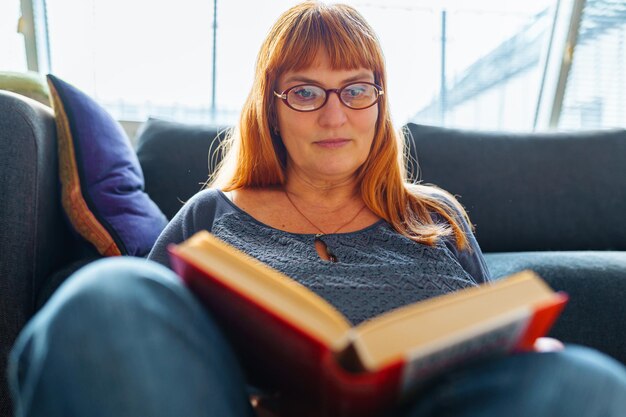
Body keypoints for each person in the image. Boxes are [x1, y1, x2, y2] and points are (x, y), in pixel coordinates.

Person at [8, 2, 626, 417]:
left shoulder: (436, 219)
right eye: (305, 92)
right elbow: (145, 345)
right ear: (271, 109)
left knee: (582, 380)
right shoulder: (210, 216)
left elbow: (494, 363)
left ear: (380, 104)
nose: (335, 115)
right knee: (108, 296)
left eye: (356, 89)